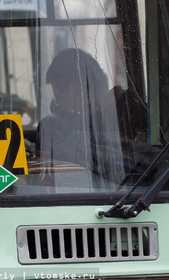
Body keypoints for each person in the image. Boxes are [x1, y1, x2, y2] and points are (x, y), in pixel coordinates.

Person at [37, 48, 124, 182]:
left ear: (75, 88)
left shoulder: (116, 120)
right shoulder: (52, 126)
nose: (56, 99)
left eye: (58, 92)